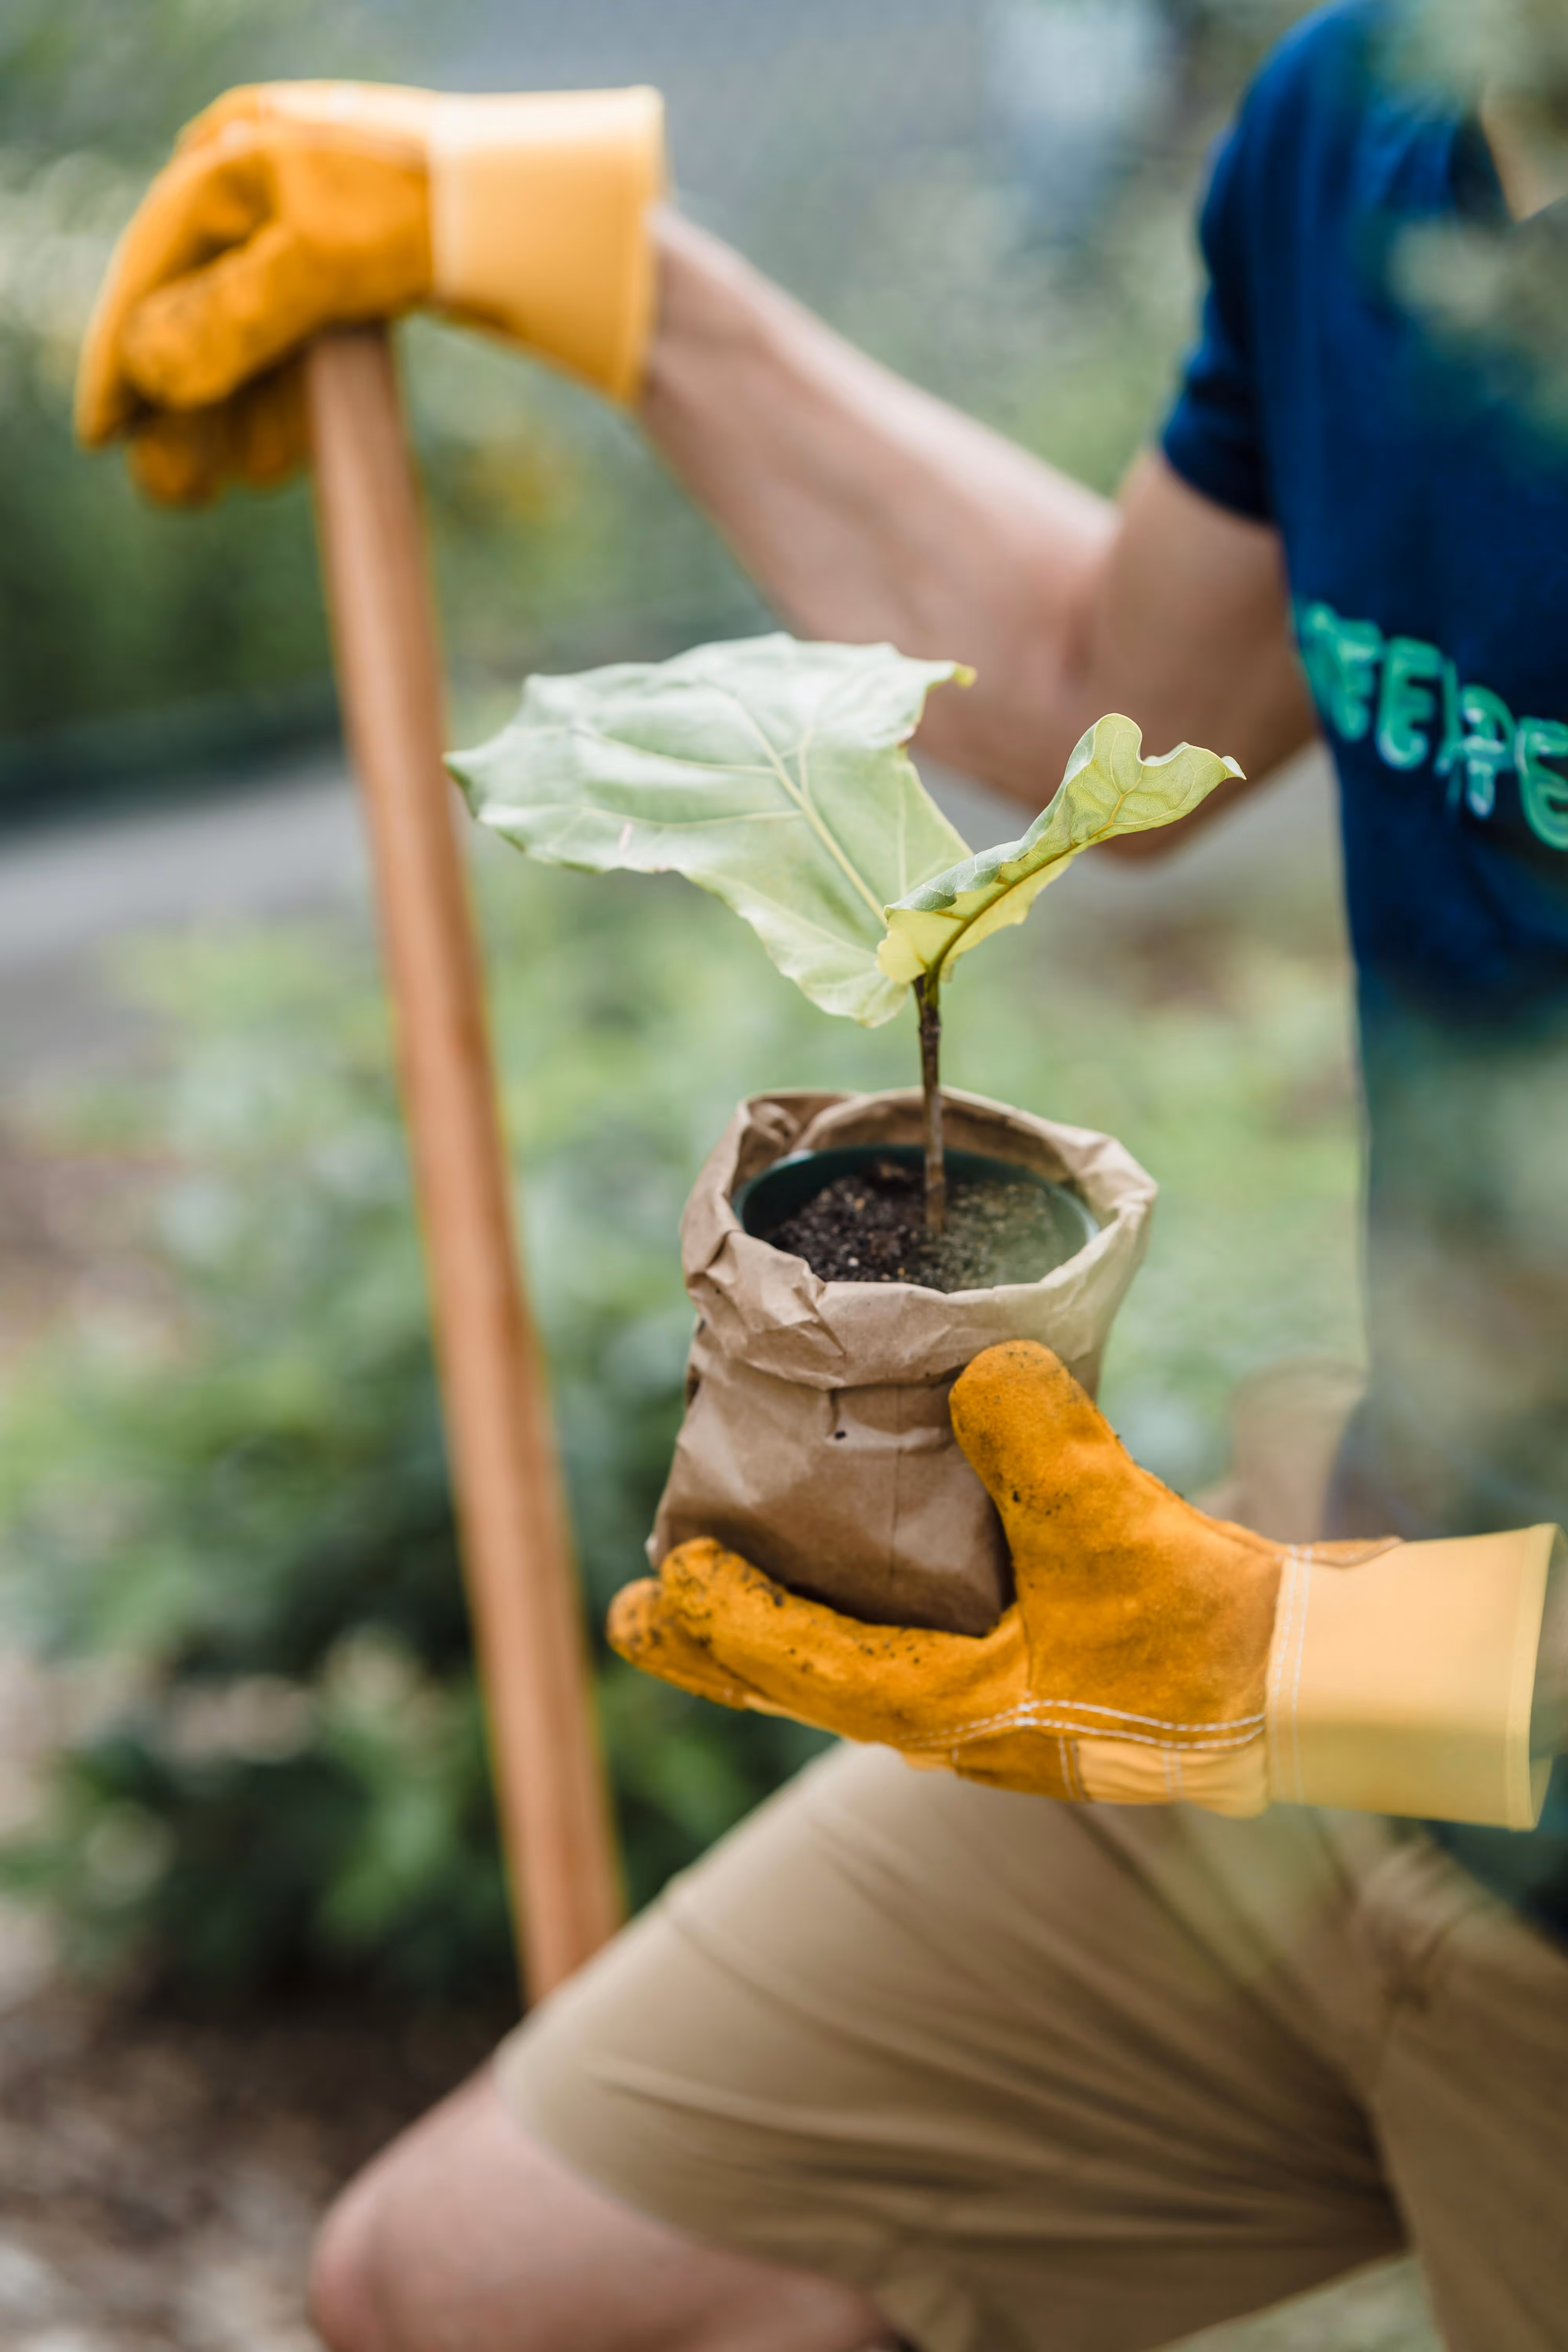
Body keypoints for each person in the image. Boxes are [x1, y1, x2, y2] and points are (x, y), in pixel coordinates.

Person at [77, 7, 1568, 2348]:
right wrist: (609, 270)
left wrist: (1297, 1663)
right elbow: (1112, 681)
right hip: (1366, 1701)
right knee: (480, 2289)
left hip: (1407, 1716)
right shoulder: (1361, 124)